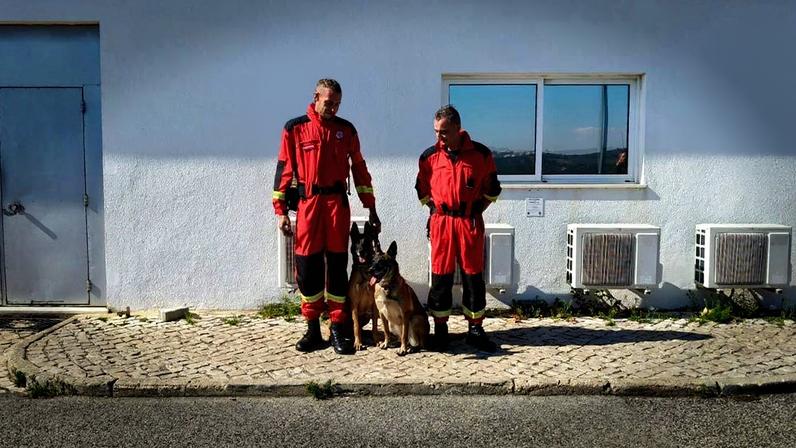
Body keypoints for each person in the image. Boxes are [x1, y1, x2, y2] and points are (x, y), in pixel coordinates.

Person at [273, 79, 380, 355]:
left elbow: (359, 168)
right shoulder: (294, 128)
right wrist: (281, 211)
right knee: (307, 268)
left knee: (336, 268)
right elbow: (284, 169)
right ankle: (312, 330)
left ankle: (337, 329)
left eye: (337, 104)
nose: (332, 108)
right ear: (316, 97)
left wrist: (371, 206)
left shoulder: (346, 130)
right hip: (309, 205)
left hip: (336, 206)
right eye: (328, 102)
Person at [415, 105, 502, 353]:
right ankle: (440, 330)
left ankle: (475, 329)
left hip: (468, 222)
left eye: (443, 132)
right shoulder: (429, 157)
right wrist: (434, 213)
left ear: (457, 129)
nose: (438, 137)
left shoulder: (481, 155)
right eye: (435, 132)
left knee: (473, 277)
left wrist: (475, 212)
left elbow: (492, 190)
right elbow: (421, 190)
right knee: (440, 277)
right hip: (442, 223)